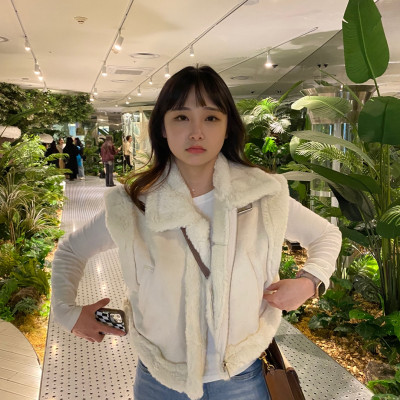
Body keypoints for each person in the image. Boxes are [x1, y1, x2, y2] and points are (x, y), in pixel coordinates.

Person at [51, 66, 342, 400]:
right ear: (162, 127)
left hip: (241, 379)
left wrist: (309, 282)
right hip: (160, 381)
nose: (196, 132)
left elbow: (326, 236)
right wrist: (67, 312)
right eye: (181, 117)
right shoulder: (133, 203)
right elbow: (71, 251)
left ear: (228, 127)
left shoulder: (261, 194)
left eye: (211, 118)